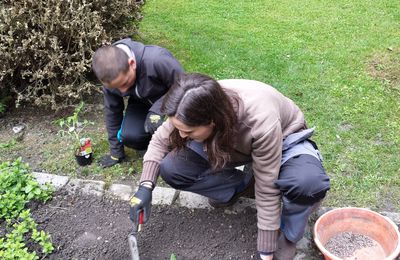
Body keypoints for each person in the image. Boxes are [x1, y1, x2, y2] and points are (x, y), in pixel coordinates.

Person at [129, 73, 330, 259]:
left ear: (211, 122)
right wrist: (145, 186)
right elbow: (159, 141)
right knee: (173, 168)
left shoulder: (260, 121)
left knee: (308, 183)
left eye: (188, 131)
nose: (181, 136)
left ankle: (288, 233)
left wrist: (266, 250)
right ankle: (241, 187)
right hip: (231, 141)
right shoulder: (188, 106)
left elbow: (267, 187)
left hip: (283, 139)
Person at [91, 38, 184, 168]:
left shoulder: (156, 60)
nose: (122, 91)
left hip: (174, 100)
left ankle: (178, 145)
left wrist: (158, 110)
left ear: (132, 63)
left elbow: (183, 86)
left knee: (165, 125)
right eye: (116, 88)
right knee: (130, 136)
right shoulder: (110, 78)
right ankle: (154, 144)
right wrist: (116, 152)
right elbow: (112, 112)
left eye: (124, 83)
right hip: (141, 102)